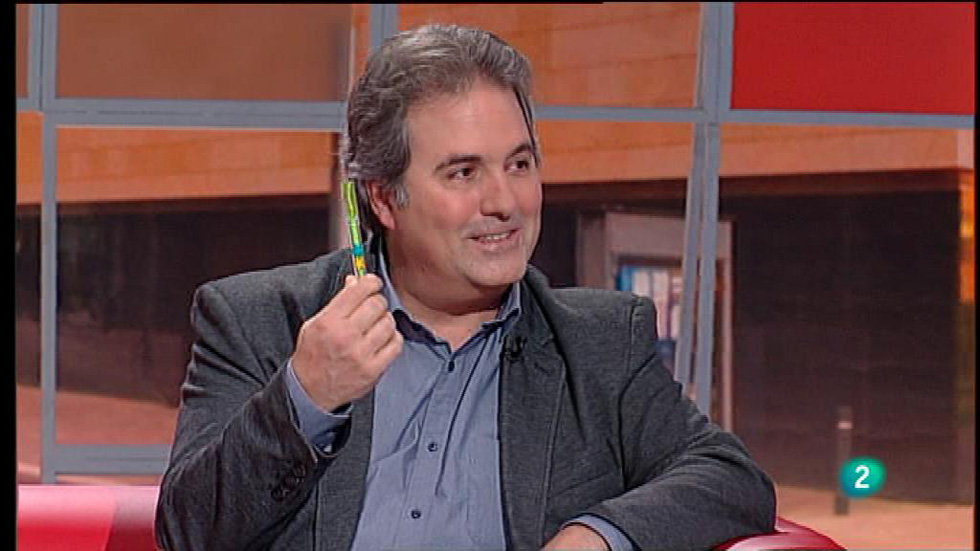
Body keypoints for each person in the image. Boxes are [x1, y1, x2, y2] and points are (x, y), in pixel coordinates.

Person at [155, 24, 775, 551]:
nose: (504, 201)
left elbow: (729, 476)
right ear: (384, 199)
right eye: (463, 173)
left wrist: (598, 535)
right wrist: (305, 397)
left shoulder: (600, 343)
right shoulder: (261, 321)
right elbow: (187, 534)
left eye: (519, 164)